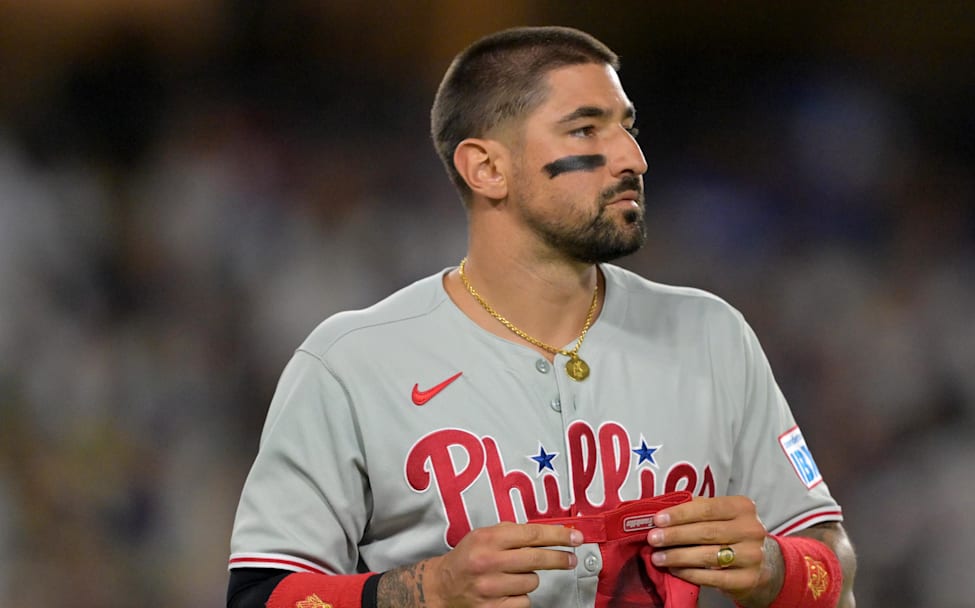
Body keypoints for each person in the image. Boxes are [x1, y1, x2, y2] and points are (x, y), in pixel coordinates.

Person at [226, 26, 856, 608]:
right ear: (488, 168)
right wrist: (426, 589)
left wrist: (777, 567)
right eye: (586, 130)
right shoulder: (351, 363)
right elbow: (259, 596)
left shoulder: (713, 335)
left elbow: (836, 565)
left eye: (627, 127)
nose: (633, 158)